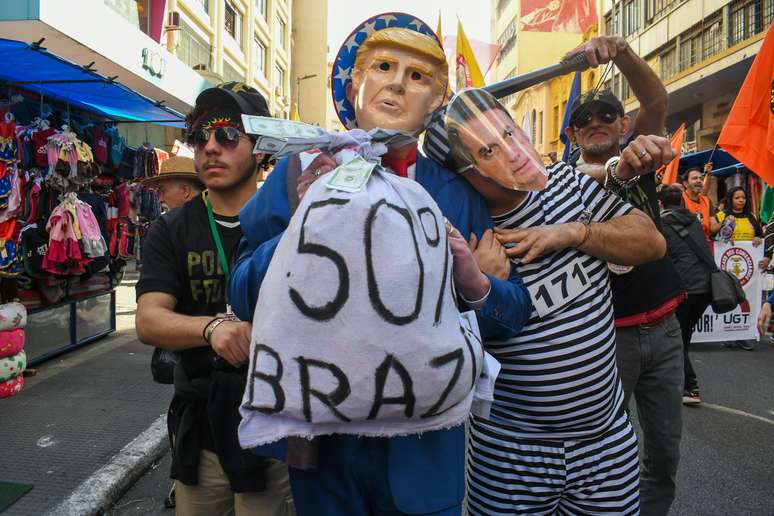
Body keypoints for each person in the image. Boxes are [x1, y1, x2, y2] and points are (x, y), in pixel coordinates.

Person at [229, 14, 532, 516]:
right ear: (354, 85)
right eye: (384, 67)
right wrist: (301, 228)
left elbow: (512, 316)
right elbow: (242, 295)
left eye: (417, 76)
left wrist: (477, 283)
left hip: (423, 458)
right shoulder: (297, 172)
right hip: (322, 453)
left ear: (436, 101)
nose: (396, 83)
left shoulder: (455, 194)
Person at [445, 87, 669, 515]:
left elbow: (651, 242)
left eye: (509, 134)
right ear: (463, 170)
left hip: (605, 445)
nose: (510, 152)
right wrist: (478, 285)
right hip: (510, 455)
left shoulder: (567, 184)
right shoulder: (462, 230)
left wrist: (574, 232)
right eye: (487, 149)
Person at [135, 82, 293, 516]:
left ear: (261, 148)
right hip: (202, 428)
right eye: (200, 136)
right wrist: (212, 328)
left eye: (228, 135)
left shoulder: (293, 224)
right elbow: (149, 320)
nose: (210, 147)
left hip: (276, 422)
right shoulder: (171, 228)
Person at [562, 35, 686, 516]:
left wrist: (621, 51)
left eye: (607, 115)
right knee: (600, 457)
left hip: (665, 331)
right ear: (572, 136)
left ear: (623, 125)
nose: (595, 122)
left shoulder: (641, 157)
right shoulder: (558, 184)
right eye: (583, 120)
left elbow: (656, 101)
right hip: (604, 340)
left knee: (664, 456)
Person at [660, 186, 715, 405]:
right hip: (705, 287)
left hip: (684, 288)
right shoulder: (693, 220)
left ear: (661, 203)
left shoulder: (662, 224)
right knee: (683, 336)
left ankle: (689, 387)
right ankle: (679, 381)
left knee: (676, 340)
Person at [682, 164, 719, 242]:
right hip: (687, 243)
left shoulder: (707, 201)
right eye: (694, 178)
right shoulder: (680, 199)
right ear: (685, 183)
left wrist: (726, 223)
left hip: (705, 243)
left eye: (701, 178)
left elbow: (713, 227)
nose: (699, 181)